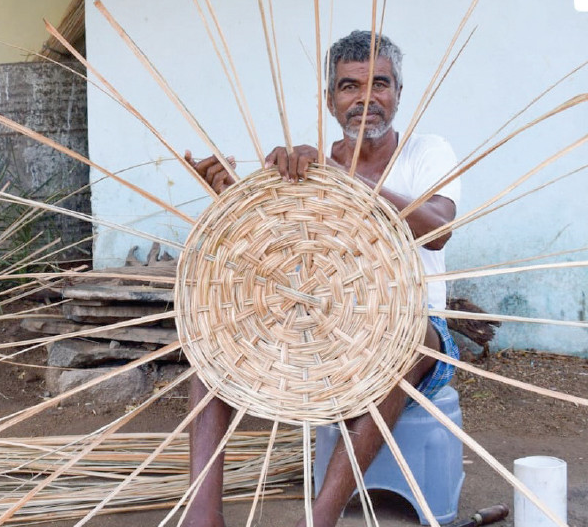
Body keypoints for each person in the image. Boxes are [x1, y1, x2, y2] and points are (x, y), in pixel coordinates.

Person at [183, 30, 461, 527]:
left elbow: (438, 229)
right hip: (329, 333)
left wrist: (344, 178)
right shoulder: (308, 169)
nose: (366, 98)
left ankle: (321, 518)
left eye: (380, 84)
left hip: (418, 334)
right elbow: (273, 248)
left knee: (411, 340)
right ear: (330, 99)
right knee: (211, 340)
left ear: (399, 92)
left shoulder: (427, 152)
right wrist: (230, 197)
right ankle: (203, 513)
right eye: (350, 86)